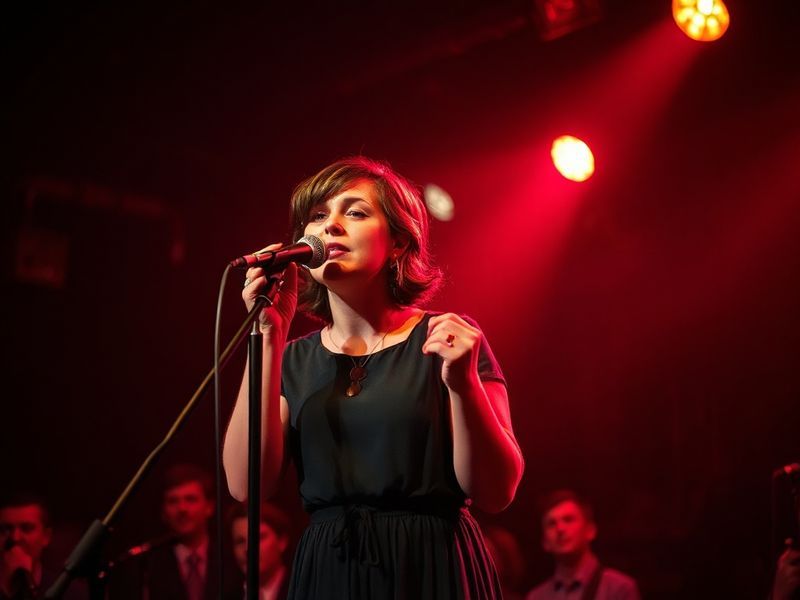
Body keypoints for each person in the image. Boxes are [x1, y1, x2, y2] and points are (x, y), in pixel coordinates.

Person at [223, 156, 525, 599]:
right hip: (331, 570)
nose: (331, 226)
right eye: (318, 216)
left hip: (430, 565)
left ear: (399, 243)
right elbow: (246, 486)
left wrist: (461, 384)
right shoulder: (291, 359)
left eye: (356, 212)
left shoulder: (448, 339)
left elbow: (496, 490)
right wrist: (269, 334)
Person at [109, 464, 241, 600]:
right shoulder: (146, 566)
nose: (182, 508)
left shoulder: (232, 557)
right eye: (173, 501)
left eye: (190, 499)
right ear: (163, 511)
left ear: (209, 506)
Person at [525, 490, 640, 600]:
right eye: (551, 524)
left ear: (590, 530)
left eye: (568, 519)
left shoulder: (619, 589)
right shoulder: (536, 596)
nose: (560, 529)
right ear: (545, 542)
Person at [0, 492, 86, 600]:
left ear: (46, 537)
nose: (15, 538)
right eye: (4, 529)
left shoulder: (71, 592)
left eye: (27, 528)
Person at [228, 502, 292, 600]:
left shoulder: (304, 590)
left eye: (258, 538)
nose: (247, 548)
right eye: (240, 541)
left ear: (282, 541)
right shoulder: (228, 595)